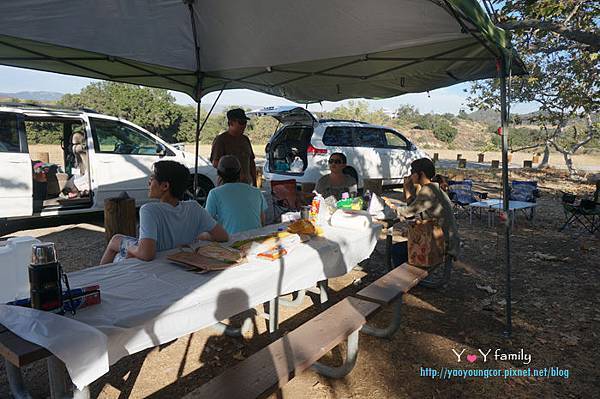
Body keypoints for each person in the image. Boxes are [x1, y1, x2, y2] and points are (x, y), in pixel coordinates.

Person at [100, 160, 228, 264]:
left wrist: (130, 248)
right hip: (176, 256)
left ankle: (99, 279)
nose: (149, 181)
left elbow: (146, 254)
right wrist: (201, 236)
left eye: (152, 177)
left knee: (115, 240)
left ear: (165, 186)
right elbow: (223, 236)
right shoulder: (195, 208)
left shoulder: (149, 211)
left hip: (154, 263)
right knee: (117, 240)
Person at [391, 158, 460, 260]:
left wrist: (391, 206)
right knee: (403, 248)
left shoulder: (428, 190)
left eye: (412, 172)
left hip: (443, 244)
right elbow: (413, 209)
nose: (410, 175)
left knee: (396, 250)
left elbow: (407, 212)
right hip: (445, 240)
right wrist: (408, 188)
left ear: (421, 174)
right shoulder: (433, 187)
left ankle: (411, 273)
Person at [205, 155, 267, 234]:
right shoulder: (256, 191)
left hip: (232, 242)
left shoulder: (214, 193)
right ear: (240, 172)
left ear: (219, 174)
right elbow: (262, 221)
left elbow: (207, 224)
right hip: (256, 239)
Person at [210, 108, 257, 186]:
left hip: (246, 185)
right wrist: (234, 173)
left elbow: (251, 161)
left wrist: (254, 182)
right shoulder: (221, 140)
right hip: (227, 186)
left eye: (245, 122)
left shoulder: (245, 139)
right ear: (231, 123)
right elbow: (215, 162)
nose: (244, 125)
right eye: (241, 122)